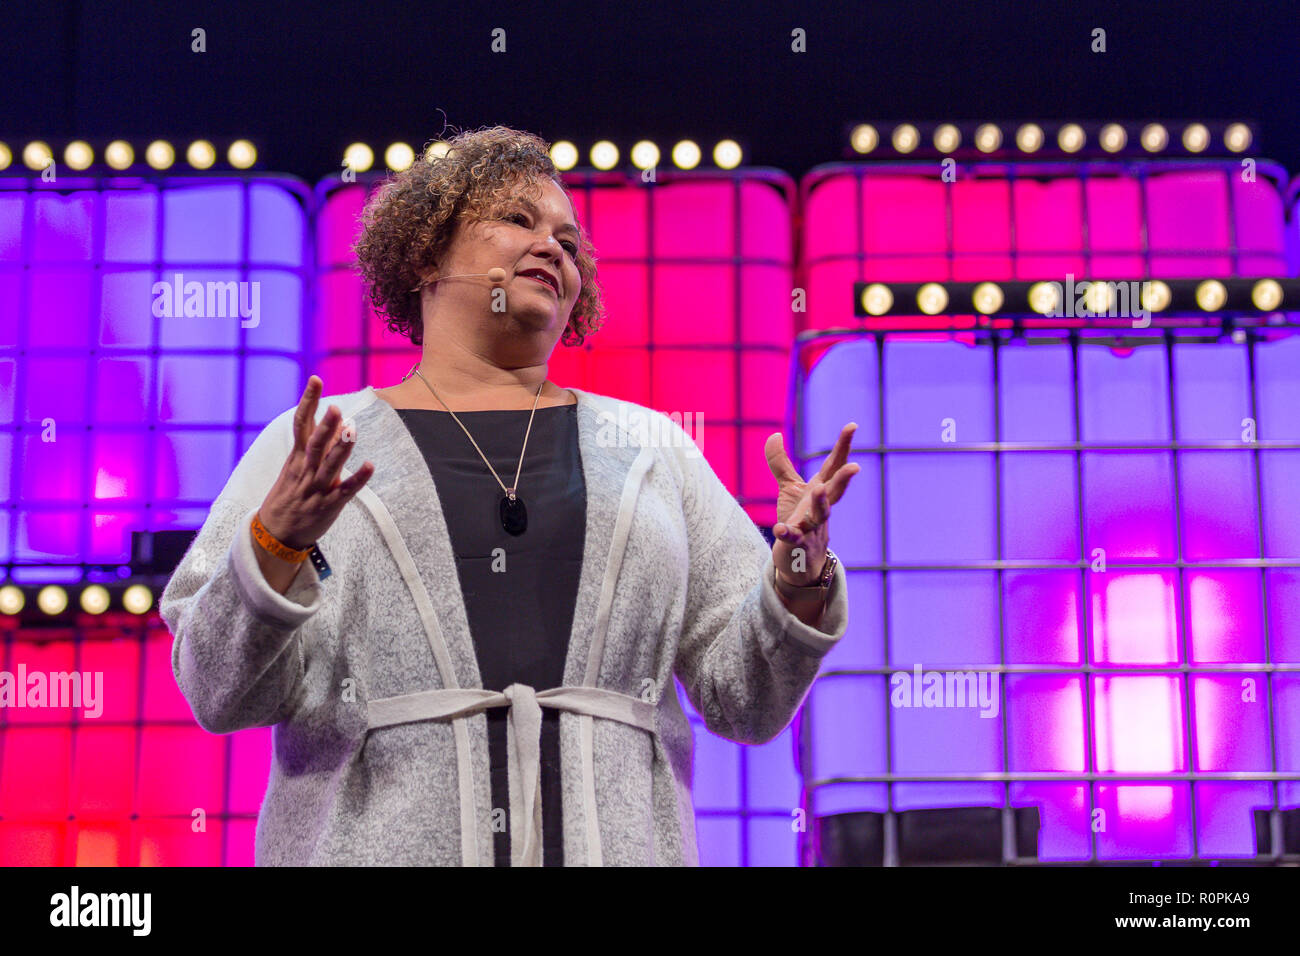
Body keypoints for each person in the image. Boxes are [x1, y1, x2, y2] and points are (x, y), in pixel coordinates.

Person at [160, 125, 859, 866]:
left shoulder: (654, 453)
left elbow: (744, 702)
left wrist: (796, 579)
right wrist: (276, 544)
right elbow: (219, 691)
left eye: (568, 239)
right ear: (427, 254)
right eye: (519, 221)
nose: (553, 247)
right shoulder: (317, 445)